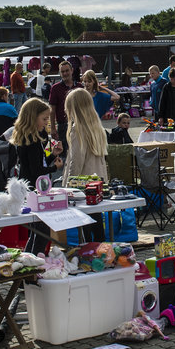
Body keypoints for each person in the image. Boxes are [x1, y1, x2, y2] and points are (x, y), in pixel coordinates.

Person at [11, 98, 63, 255]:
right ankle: (34, 261)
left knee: (36, 231)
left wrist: (52, 155)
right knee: (42, 232)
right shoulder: (32, 140)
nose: (46, 123)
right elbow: (37, 170)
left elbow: (37, 163)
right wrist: (55, 167)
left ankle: (30, 259)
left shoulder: (28, 137)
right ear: (33, 117)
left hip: (28, 186)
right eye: (44, 119)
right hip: (33, 188)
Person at [63, 89, 107, 241]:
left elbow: (76, 162)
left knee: (85, 229)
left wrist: (67, 187)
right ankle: (102, 251)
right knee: (97, 223)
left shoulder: (78, 129)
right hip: (97, 183)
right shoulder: (97, 127)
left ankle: (89, 252)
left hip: (81, 187)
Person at [49, 60, 83, 146]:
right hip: (62, 126)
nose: (65, 73)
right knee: (57, 149)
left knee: (76, 150)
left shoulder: (80, 87)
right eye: (62, 71)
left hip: (78, 124)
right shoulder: (55, 88)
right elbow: (52, 110)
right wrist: (52, 128)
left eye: (67, 71)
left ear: (72, 70)